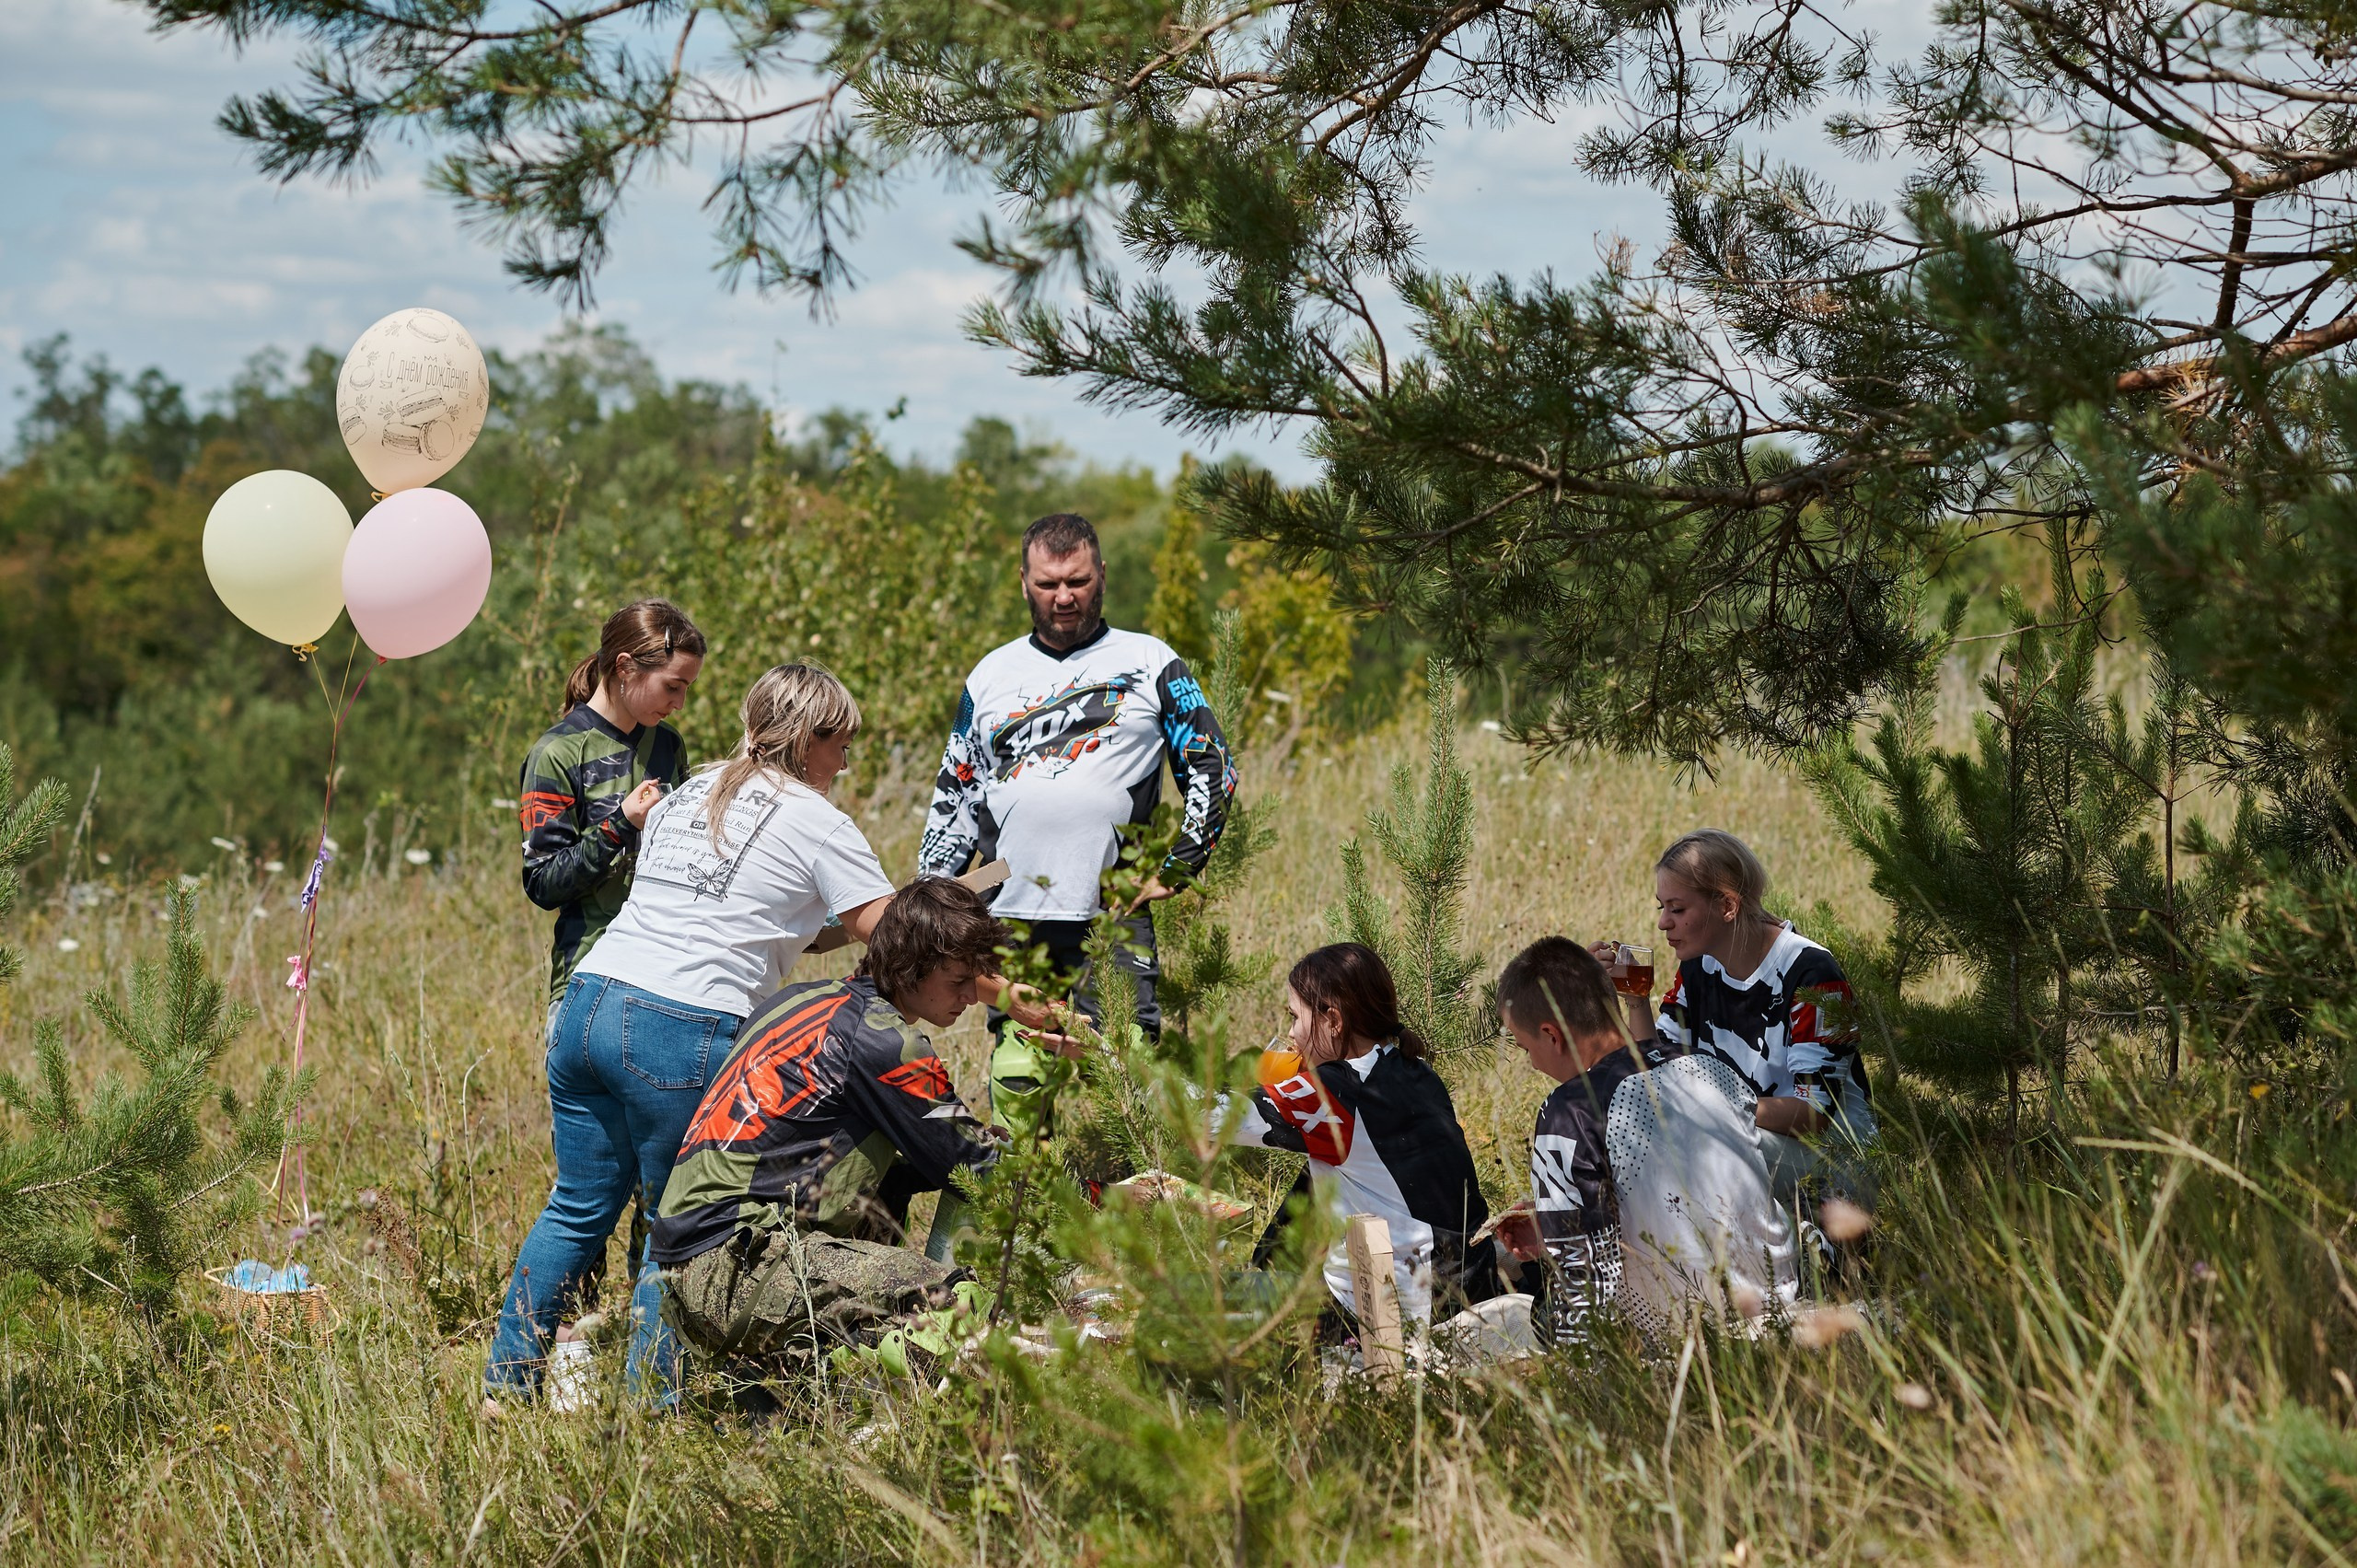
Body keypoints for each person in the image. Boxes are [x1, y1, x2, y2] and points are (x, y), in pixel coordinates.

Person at [482, 663, 897, 1408]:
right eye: (841, 743)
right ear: (809, 740)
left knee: (576, 1207)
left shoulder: (691, 791)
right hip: (680, 1027)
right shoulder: (816, 818)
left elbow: (770, 926)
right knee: (682, 1223)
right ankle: (653, 1407)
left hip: (589, 1002)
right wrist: (962, 916)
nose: (846, 761)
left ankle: (504, 1387)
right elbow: (891, 935)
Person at [917, 511, 1237, 1128]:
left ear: (1102, 576)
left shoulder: (1150, 660)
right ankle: (1021, 1219)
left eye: (1078, 580)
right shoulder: (990, 674)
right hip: (1009, 912)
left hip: (1110, 915)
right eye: (1048, 583)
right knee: (1018, 1080)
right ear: (1023, 582)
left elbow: (1212, 764)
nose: (1064, 596)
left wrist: (1181, 863)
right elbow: (955, 792)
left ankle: (1138, 1219)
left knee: (1130, 1080)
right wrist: (933, 893)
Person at [654, 877, 1009, 1370]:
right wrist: (1106, 1197)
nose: (974, 996)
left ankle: (800, 1391)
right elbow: (978, 1165)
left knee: (889, 1193)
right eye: (959, 981)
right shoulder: (882, 1041)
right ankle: (890, 1412)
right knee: (953, 1300)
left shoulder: (802, 1000)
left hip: (691, 1266)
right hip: (735, 1265)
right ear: (911, 970)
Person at [1492, 936, 1798, 1349]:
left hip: (1680, 1333)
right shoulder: (1706, 1066)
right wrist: (1552, 1225)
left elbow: (1587, 1290)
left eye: (1527, 1047)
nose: (1531, 1062)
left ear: (1552, 1035)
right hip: (1776, 1303)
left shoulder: (1568, 1113)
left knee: (1540, 1317)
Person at [1227, 943, 1500, 1327]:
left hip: (1386, 1313)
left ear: (1333, 1020)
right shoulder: (1415, 1070)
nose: (1291, 1034)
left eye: (1295, 1017)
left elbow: (1212, 1117)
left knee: (1185, 1301)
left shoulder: (1343, 1089)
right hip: (1460, 1288)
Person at [1617, 829, 1878, 1217]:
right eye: (1662, 907)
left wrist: (1709, 1110)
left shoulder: (1811, 973)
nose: (1663, 924)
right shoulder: (1699, 966)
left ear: (1727, 905)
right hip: (1743, 1136)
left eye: (1677, 909)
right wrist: (1631, 1001)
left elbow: (1813, 1117)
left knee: (1697, 1151)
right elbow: (1658, 1072)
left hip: (1830, 1161)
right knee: (1626, 1124)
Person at [518, 599, 706, 1015]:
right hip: (587, 983)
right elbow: (543, 884)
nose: (680, 703)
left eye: (687, 689)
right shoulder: (557, 753)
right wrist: (619, 824)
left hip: (670, 980)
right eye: (672, 686)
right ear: (625, 667)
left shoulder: (668, 744)